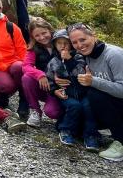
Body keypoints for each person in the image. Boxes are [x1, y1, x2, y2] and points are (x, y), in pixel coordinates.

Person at [67, 23, 123, 161]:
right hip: (113, 102)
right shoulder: (86, 56)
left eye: (83, 39)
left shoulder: (114, 54)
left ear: (93, 36)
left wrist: (94, 81)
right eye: (74, 42)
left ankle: (121, 141)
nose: (79, 45)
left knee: (95, 94)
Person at [45, 28, 99, 150]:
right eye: (59, 43)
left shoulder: (79, 57)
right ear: (55, 45)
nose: (63, 46)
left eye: (66, 43)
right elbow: (49, 79)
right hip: (66, 93)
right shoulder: (53, 61)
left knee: (88, 107)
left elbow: (80, 73)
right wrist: (54, 90)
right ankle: (66, 130)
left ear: (71, 44)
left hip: (83, 92)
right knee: (74, 106)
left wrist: (69, 60)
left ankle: (90, 135)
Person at [21, 17, 62, 127]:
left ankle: (66, 115)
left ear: (50, 30)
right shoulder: (34, 48)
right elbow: (26, 66)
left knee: (52, 112)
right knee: (27, 78)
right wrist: (39, 74)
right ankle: (35, 110)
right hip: (44, 85)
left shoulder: (60, 42)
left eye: (44, 33)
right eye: (37, 35)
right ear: (33, 37)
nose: (42, 37)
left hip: (60, 86)